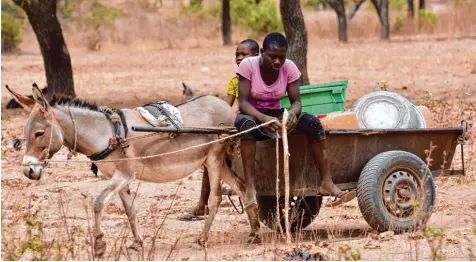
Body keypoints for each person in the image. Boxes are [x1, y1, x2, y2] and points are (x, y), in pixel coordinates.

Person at [236, 32, 356, 209]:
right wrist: (264, 119)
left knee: (312, 123)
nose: (277, 62)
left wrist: (292, 113)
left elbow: (297, 102)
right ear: (262, 52)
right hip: (253, 114)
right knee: (246, 125)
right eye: (272, 57)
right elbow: (243, 103)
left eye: (281, 57)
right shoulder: (248, 65)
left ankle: (326, 181)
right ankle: (251, 189)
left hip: (276, 113)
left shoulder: (289, 67)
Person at [177, 39, 260, 221]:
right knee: (211, 159)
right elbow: (225, 108)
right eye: (237, 54)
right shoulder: (235, 81)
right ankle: (202, 205)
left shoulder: (264, 78)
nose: (239, 58)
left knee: (212, 161)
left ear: (256, 56)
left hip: (257, 124)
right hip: (239, 124)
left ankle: (202, 205)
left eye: (243, 54)